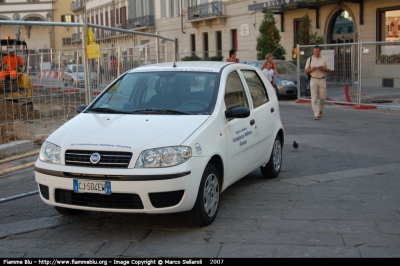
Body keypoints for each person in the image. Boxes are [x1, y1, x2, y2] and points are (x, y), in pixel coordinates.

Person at [305, 45, 331, 120]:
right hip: (313, 79)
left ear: (320, 51)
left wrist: (323, 69)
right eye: (315, 51)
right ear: (313, 51)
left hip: (322, 79)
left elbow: (329, 69)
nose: (316, 53)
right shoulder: (310, 59)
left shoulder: (324, 59)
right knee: (314, 98)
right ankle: (316, 113)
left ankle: (319, 109)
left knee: (323, 97)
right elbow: (306, 70)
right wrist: (311, 69)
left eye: (318, 51)